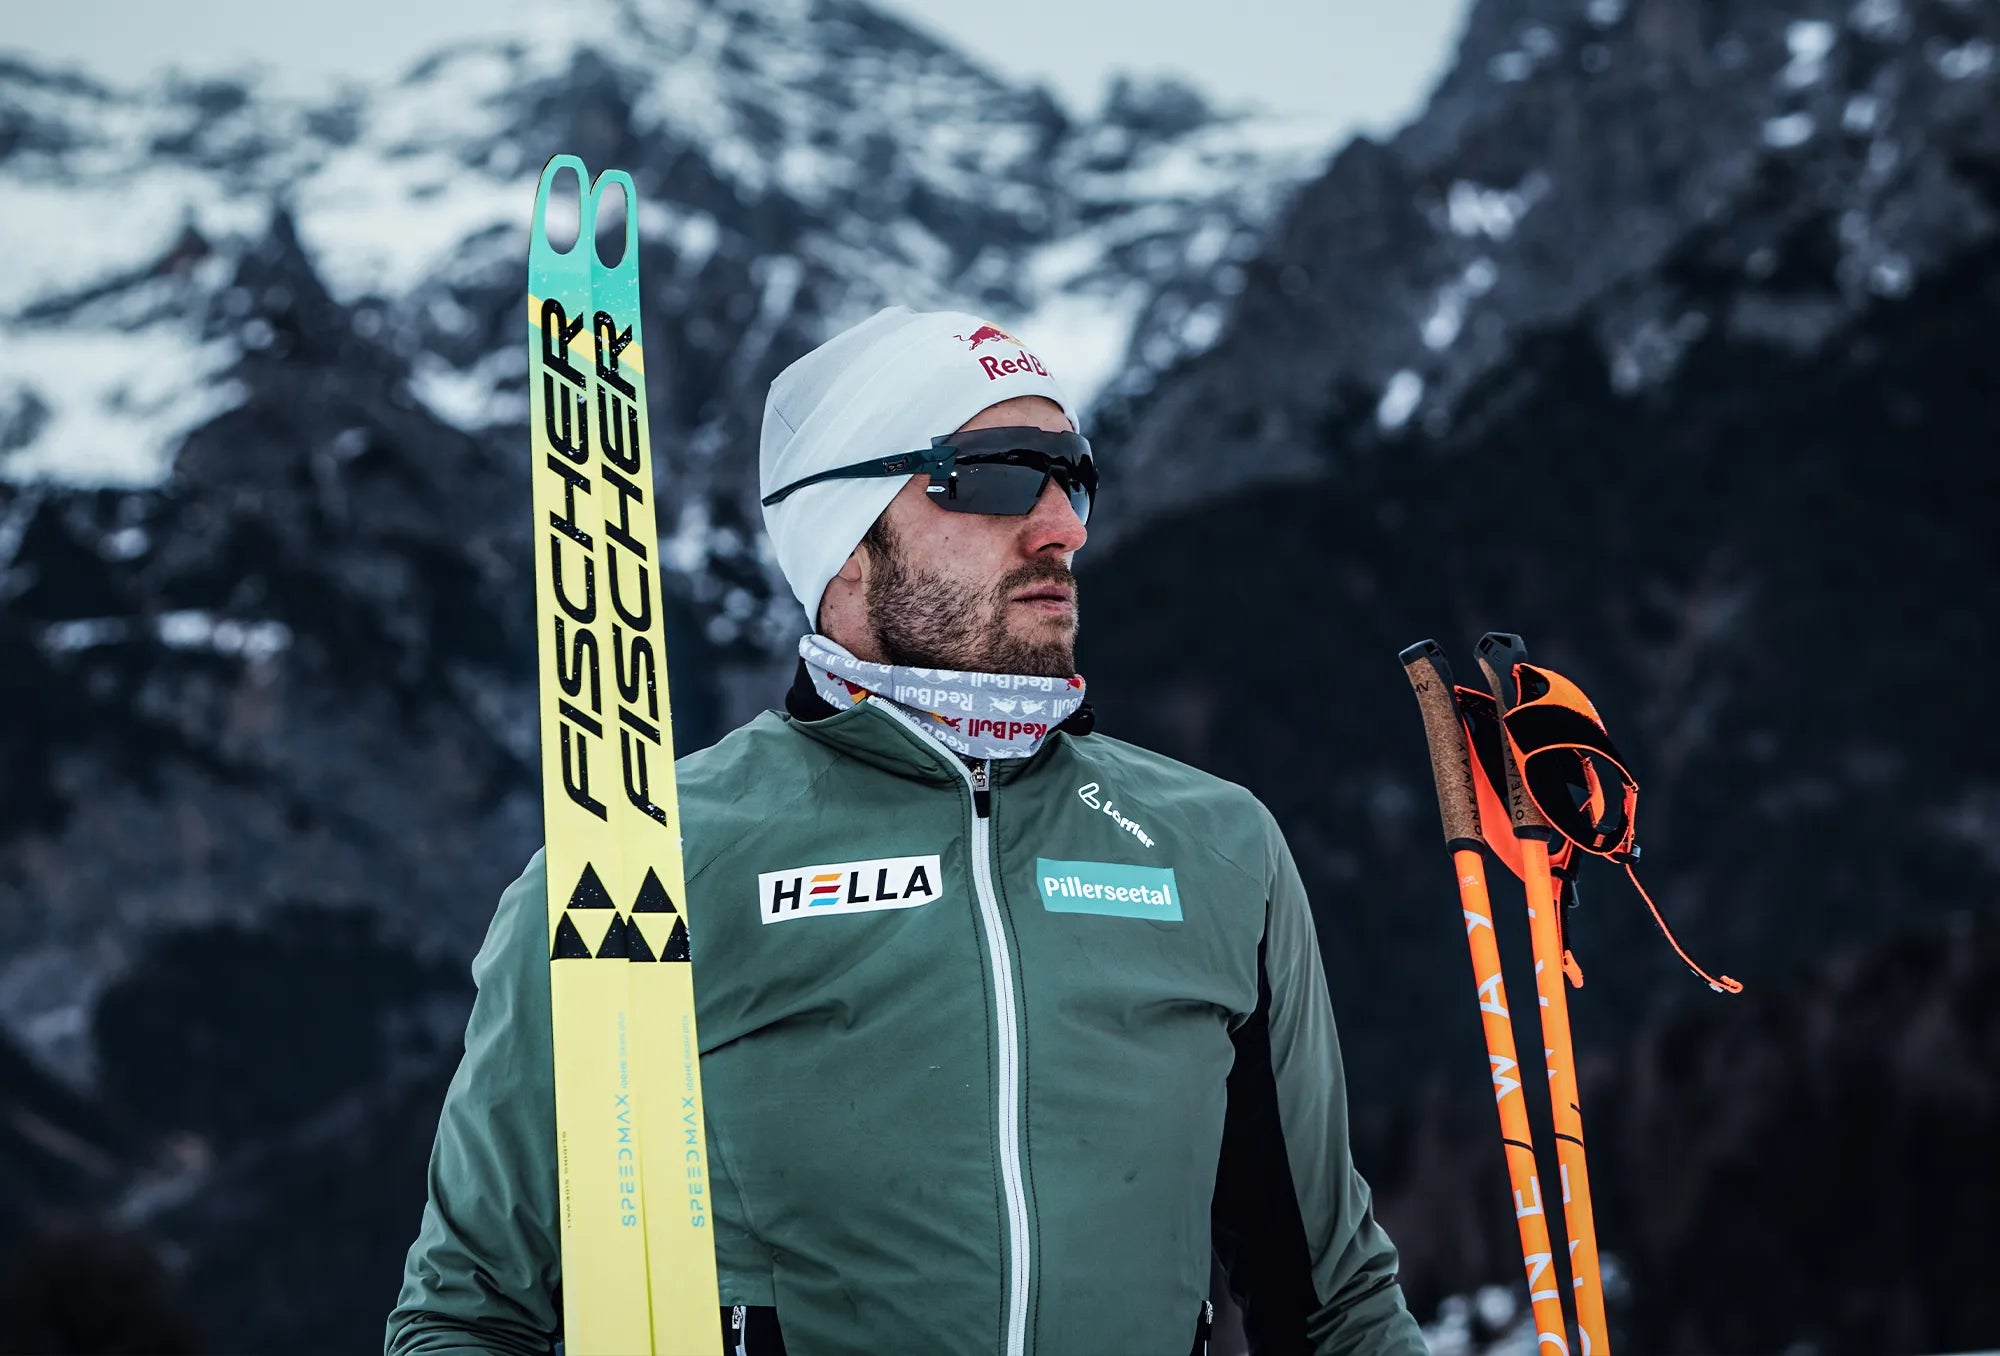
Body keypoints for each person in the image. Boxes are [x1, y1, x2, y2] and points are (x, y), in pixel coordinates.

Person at [385, 307, 1426, 1355]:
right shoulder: (647, 862)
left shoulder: (1215, 847)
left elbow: (1334, 1303)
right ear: (844, 538)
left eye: (1072, 478)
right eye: (997, 476)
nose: (1062, 526)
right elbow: (468, 1314)